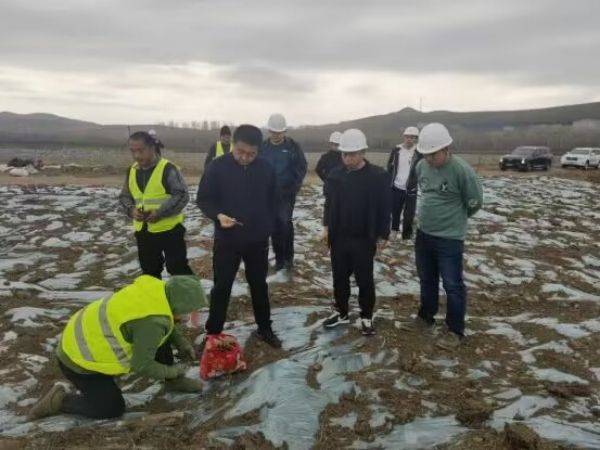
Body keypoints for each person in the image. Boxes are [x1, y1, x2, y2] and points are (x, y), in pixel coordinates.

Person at [28, 275, 206, 421]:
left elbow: (162, 323)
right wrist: (173, 371)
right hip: (79, 362)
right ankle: (60, 400)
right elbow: (141, 364)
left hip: (84, 335)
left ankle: (173, 383)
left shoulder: (157, 291)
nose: (189, 316)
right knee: (111, 409)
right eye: (188, 311)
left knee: (157, 337)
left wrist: (181, 342)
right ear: (178, 305)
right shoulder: (152, 323)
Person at [196, 124, 282, 348]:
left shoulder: (266, 169)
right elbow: (204, 199)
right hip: (227, 240)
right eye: (240, 152)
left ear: (258, 151)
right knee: (221, 286)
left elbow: (275, 201)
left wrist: (268, 226)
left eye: (251, 154)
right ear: (233, 145)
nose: (245, 158)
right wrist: (218, 215)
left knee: (258, 285)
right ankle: (213, 332)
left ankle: (265, 328)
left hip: (257, 241)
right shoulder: (217, 167)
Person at [408, 123, 483, 349]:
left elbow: (475, 202)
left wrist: (454, 221)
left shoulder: (461, 170)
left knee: (452, 285)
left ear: (446, 148)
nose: (429, 159)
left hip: (449, 239)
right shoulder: (421, 166)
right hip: (424, 234)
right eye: (426, 155)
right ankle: (425, 317)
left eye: (434, 154)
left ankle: (455, 330)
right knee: (426, 278)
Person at [322, 129, 392, 336]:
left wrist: (383, 235)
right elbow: (329, 204)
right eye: (344, 154)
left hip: (363, 238)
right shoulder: (335, 175)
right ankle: (342, 312)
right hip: (339, 237)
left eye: (352, 154)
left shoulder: (377, 176)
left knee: (364, 279)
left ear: (363, 152)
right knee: (339, 277)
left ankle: (366, 316)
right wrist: (326, 227)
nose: (347, 158)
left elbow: (384, 208)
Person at [119, 131, 193, 279]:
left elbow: (182, 195)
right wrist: (131, 210)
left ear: (152, 148)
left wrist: (160, 212)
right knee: (150, 271)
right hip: (144, 233)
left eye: (141, 150)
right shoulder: (132, 171)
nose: (137, 156)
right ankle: (156, 300)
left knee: (178, 269)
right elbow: (125, 196)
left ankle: (188, 301)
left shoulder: (168, 169)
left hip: (170, 230)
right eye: (133, 151)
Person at [259, 113, 307, 281]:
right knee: (272, 227)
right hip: (268, 195)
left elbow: (301, 167)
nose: (276, 135)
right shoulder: (263, 147)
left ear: (284, 131)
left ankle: (288, 259)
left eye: (279, 132)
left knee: (285, 225)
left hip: (286, 194)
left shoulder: (293, 147)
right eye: (273, 132)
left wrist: (294, 186)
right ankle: (279, 260)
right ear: (269, 130)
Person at [387, 126, 421, 240]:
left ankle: (406, 235)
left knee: (409, 215)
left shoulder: (418, 152)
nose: (409, 139)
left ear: (415, 139)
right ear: (404, 137)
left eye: (412, 137)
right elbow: (390, 166)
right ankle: (394, 230)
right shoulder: (396, 150)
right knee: (395, 211)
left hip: (411, 188)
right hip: (396, 186)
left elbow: (421, 168)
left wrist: (417, 181)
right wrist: (389, 180)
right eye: (407, 137)